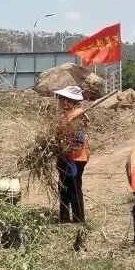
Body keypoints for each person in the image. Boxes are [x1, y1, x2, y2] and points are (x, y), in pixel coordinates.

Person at [54, 85, 89, 223]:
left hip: (75, 158)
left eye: (62, 98)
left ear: (69, 100)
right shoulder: (66, 115)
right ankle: (63, 218)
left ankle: (78, 221)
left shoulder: (78, 117)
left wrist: (65, 147)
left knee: (74, 188)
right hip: (64, 156)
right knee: (63, 187)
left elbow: (80, 140)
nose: (59, 101)